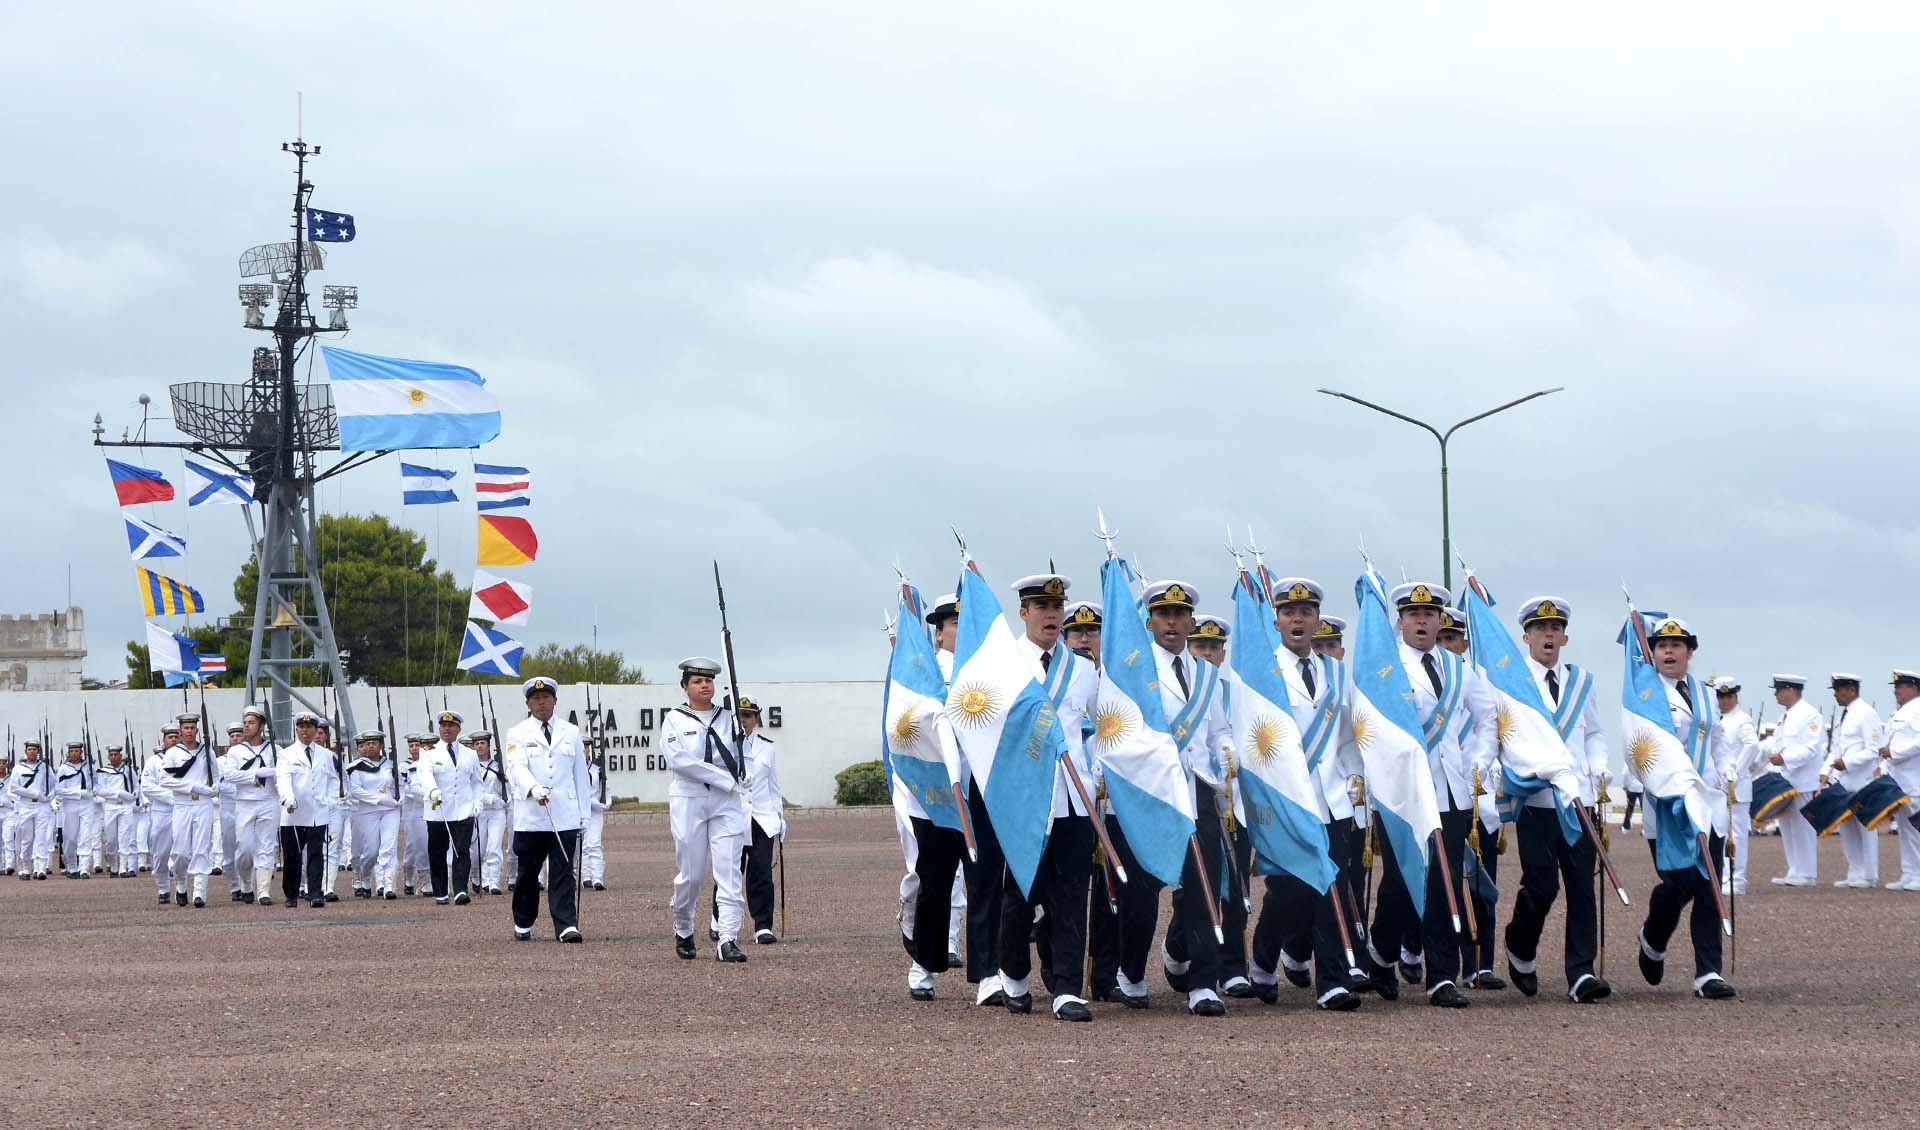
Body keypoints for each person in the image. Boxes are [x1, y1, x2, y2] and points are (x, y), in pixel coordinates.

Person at [1368, 582, 1498, 1010]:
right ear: (1400, 622)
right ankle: (1381, 952)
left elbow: (1489, 716)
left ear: (1441, 620)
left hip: (1451, 790)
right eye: (1413, 615)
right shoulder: (1385, 669)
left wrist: (1474, 760)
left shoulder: (1460, 669)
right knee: (1403, 884)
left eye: (1430, 615)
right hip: (1403, 793)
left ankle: (1441, 977)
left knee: (1444, 884)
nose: (1422, 622)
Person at [1246, 577, 1367, 1012]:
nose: (1298, 620)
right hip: (1286, 800)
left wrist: (1355, 779)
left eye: (1306, 613)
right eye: (1289, 613)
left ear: (1317, 621)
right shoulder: (1263, 672)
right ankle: (1262, 959)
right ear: (1276, 620)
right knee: (1290, 893)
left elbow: (1350, 736)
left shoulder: (1337, 671)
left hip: (1331, 798)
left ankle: (1331, 982)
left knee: (1330, 884)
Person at [1501, 596, 1612, 1003]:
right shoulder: (1514, 684)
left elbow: (1596, 732)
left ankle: (1580, 974)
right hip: (1537, 802)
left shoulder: (1583, 682)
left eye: (1554, 628)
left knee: (1582, 886)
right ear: (1526, 636)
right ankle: (1519, 944)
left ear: (1564, 636)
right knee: (1542, 886)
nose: (1547, 635)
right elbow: (1507, 735)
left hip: (1577, 801)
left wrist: (1599, 766)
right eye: (1539, 629)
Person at [1134, 580, 1235, 1017]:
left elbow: (1219, 730)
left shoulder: (1207, 675)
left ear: (1192, 622)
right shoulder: (1135, 670)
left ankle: (1203, 982)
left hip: (1197, 787)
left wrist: (1228, 758)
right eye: (1163, 615)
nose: (1172, 622)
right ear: (1150, 621)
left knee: (1203, 884)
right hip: (1152, 790)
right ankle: (1130, 972)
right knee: (1142, 887)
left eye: (1180, 615)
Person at [1632, 616, 1736, 999]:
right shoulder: (1644, 696)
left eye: (1676, 646)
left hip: (1707, 805)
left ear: (1690, 652)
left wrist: (1727, 770)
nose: (1669, 651)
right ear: (1653, 653)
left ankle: (1708, 973)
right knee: (1678, 885)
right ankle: (1652, 938)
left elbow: (1718, 738)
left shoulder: (1707, 693)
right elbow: (1639, 743)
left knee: (1709, 887)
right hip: (1668, 806)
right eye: (1661, 646)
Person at [662, 657, 752, 961]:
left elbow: (744, 755)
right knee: (693, 873)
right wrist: (725, 779)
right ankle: (684, 925)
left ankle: (727, 938)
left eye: (708, 681)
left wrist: (743, 774)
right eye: (698, 681)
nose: (704, 685)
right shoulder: (675, 719)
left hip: (726, 803)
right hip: (690, 800)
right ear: (685, 687)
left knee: (729, 871)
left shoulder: (729, 718)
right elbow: (679, 761)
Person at [503, 676, 592, 942]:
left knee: (564, 870)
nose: (541, 703)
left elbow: (580, 776)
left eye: (546, 698)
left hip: (564, 814)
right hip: (532, 815)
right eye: (535, 699)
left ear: (555, 699)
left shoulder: (571, 732)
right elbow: (515, 767)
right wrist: (533, 787)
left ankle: (565, 925)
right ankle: (523, 918)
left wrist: (584, 814)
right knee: (529, 872)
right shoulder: (517, 733)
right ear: (528, 703)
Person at [1760, 675, 1825, 885]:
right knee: (1787, 827)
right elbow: (1777, 744)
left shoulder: (1809, 714)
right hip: (1785, 780)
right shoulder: (1785, 716)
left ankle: (1807, 873)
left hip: (1803, 780)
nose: (1776, 694)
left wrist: (1785, 758)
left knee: (1803, 827)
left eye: (1779, 690)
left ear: (1791, 690)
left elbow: (1811, 748)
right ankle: (1795, 870)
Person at [1824, 674, 1885, 889]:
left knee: (1865, 825)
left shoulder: (1866, 713)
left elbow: (1873, 749)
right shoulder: (1847, 714)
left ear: (1851, 690)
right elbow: (1837, 748)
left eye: (1838, 690)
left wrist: (1847, 763)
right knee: (1847, 826)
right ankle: (1855, 871)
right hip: (1844, 779)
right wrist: (1827, 772)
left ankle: (1869, 874)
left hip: (1862, 779)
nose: (1835, 695)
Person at [418, 710, 483, 906]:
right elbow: (424, 774)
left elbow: (477, 782)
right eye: (444, 725)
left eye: (451, 725)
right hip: (438, 809)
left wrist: (477, 802)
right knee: (437, 851)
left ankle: (461, 890)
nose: (447, 729)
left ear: (458, 728)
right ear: (439, 728)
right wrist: (432, 791)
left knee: (461, 850)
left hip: (463, 808)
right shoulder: (429, 753)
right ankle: (440, 891)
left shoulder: (470, 754)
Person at [158, 714, 220, 908]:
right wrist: (192, 786)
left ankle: (200, 892)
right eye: (186, 728)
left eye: (193, 727)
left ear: (197, 730)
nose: (190, 731)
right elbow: (164, 780)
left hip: (203, 804)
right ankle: (182, 883)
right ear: (180, 731)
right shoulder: (173, 753)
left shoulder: (206, 750)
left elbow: (217, 775)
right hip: (183, 804)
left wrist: (214, 788)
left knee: (202, 847)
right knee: (181, 851)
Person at [219, 708, 280, 905]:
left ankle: (263, 891)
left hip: (268, 800)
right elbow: (230, 775)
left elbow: (281, 772)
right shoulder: (236, 751)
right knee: (244, 849)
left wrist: (272, 772)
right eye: (245, 722)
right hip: (245, 802)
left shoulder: (275, 750)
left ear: (262, 726)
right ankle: (246, 883)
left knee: (266, 846)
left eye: (251, 722)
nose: (246, 725)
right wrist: (256, 774)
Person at [276, 711, 336, 909]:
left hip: (318, 812)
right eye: (302, 727)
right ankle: (291, 894)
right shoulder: (286, 754)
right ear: (296, 729)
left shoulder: (327, 755)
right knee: (293, 856)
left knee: (316, 854)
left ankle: (316, 893)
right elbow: (283, 780)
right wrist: (288, 798)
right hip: (293, 813)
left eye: (309, 727)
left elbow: (333, 780)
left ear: (315, 730)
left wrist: (330, 800)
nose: (305, 731)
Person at [1710, 680, 1763, 896]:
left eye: (1728, 697)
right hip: (1718, 785)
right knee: (1720, 831)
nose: (1724, 701)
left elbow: (1752, 745)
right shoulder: (1717, 719)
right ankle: (1723, 876)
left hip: (1736, 786)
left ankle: (1737, 879)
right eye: (1720, 697)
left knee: (1738, 834)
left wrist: (1736, 773)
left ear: (1736, 697)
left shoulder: (1742, 720)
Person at [737, 698, 783, 939]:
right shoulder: (726, 745)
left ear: (756, 719)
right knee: (730, 871)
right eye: (741, 715)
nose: (745, 720)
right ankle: (720, 920)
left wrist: (779, 816)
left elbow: (773, 786)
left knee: (762, 872)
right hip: (734, 816)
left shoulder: (767, 747)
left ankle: (763, 925)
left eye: (749, 715)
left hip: (762, 817)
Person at [344, 729, 402, 899]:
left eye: (373, 744)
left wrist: (401, 799)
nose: (370, 747)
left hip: (390, 810)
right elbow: (355, 790)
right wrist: (379, 800)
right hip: (367, 812)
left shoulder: (391, 765)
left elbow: (402, 785)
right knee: (371, 852)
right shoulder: (356, 767)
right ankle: (365, 876)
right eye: (367, 744)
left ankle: (389, 885)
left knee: (389, 848)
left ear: (381, 746)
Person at [1879, 670, 1920, 890]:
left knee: (1916, 829)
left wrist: (1894, 751)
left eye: (1901, 686)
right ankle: (1910, 872)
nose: (1896, 691)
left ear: (1913, 688)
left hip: (1915, 779)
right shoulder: (1900, 712)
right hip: (1900, 779)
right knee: (1905, 829)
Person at [7, 741, 54, 879]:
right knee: (27, 838)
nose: (32, 751)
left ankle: (40, 868)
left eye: (34, 749)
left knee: (41, 837)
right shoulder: (18, 769)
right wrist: (35, 794)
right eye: (30, 749)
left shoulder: (45, 767)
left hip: (42, 806)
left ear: (38, 751)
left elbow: (53, 785)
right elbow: (14, 788)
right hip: (25, 805)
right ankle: (25, 867)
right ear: (26, 751)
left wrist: (49, 796)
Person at [472, 731, 510, 896]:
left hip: (497, 812)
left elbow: (508, 787)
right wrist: (489, 799)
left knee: (494, 847)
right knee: (477, 850)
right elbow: (469, 790)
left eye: (482, 743)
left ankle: (492, 881)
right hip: (479, 812)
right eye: (477, 744)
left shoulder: (498, 766)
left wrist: (506, 800)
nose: (479, 746)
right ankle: (476, 876)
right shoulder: (471, 767)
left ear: (489, 746)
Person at [54, 742, 96, 879]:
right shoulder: (63, 769)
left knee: (86, 836)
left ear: (81, 752)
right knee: (70, 838)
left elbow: (97, 784)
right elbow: (59, 790)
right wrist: (78, 793)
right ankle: (71, 866)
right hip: (70, 805)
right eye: (71, 751)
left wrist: (93, 792)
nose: (74, 753)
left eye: (77, 751)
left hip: (87, 804)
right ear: (68, 753)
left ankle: (84, 868)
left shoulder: (89, 767)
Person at [400, 732, 429, 895]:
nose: (414, 748)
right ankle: (408, 877)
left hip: (430, 808)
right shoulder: (405, 766)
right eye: (411, 746)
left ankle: (427, 879)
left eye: (417, 745)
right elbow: (405, 788)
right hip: (412, 810)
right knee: (412, 846)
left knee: (427, 845)